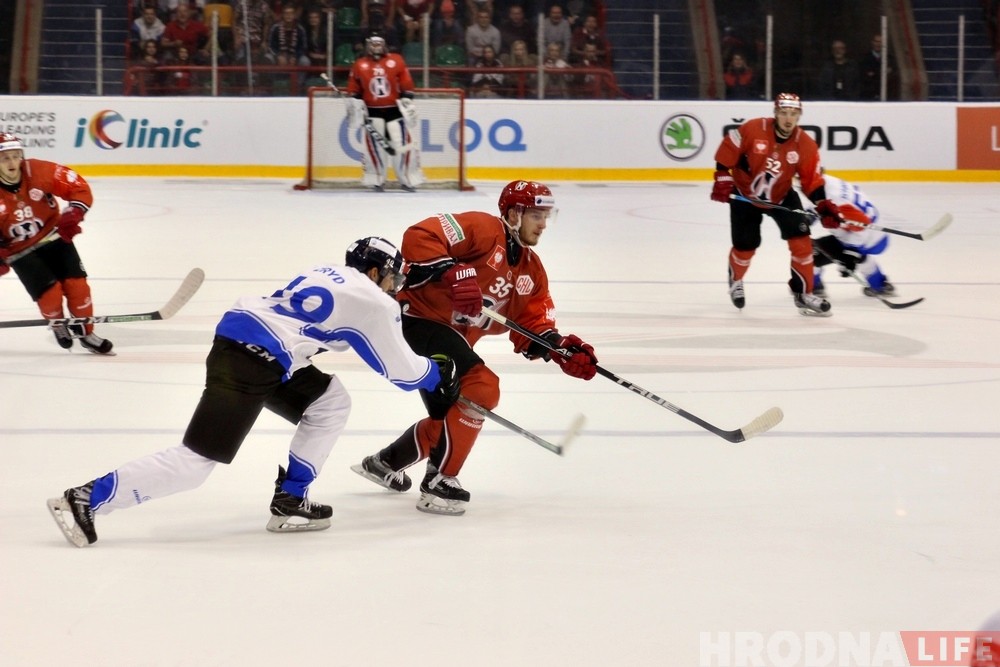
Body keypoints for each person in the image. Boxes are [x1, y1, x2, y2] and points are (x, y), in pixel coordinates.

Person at [47, 237, 460, 548]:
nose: (393, 286)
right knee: (196, 462)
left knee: (330, 402)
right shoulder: (374, 301)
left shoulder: (328, 273)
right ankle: (86, 498)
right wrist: (436, 374)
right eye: (391, 277)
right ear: (374, 273)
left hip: (257, 345)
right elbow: (402, 373)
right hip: (254, 358)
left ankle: (292, 499)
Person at [351, 180, 599, 516]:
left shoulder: (532, 270)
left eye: (546, 216)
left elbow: (532, 326)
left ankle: (384, 464)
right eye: (536, 215)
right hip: (413, 320)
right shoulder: (483, 229)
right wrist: (453, 271)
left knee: (452, 418)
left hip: (447, 339)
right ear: (514, 214)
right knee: (482, 387)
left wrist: (560, 349)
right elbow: (419, 236)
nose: (543, 224)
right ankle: (440, 482)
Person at [710, 93, 837, 316]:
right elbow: (728, 149)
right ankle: (736, 280)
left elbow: (812, 181)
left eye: (793, 114)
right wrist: (722, 175)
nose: (788, 119)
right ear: (776, 113)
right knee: (745, 248)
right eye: (784, 113)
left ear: (799, 116)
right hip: (745, 196)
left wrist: (823, 204)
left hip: (781, 196)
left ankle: (804, 293)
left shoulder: (805, 144)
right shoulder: (753, 128)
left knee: (802, 243)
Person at [0, 133, 114, 354]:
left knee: (78, 287)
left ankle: (86, 333)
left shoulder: (38, 170)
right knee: (50, 296)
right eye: (5, 158)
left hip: (53, 236)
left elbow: (77, 185)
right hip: (20, 251)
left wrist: (74, 212)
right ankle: (58, 324)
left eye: (15, 156)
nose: (12, 162)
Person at [346, 34, 424, 191]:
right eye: (373, 44)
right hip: (372, 111)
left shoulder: (396, 60)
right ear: (368, 46)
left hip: (394, 110)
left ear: (384, 46)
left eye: (379, 44)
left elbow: (406, 82)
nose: (376, 47)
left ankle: (407, 179)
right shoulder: (360, 64)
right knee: (375, 148)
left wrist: (407, 98)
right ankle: (376, 180)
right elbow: (354, 87)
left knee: (401, 145)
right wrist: (355, 101)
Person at [806, 173, 896, 297]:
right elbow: (820, 203)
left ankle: (812, 287)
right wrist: (808, 216)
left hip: (867, 238)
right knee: (856, 255)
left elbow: (861, 228)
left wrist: (851, 254)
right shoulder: (827, 182)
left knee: (809, 252)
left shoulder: (837, 200)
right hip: (877, 233)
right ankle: (880, 285)